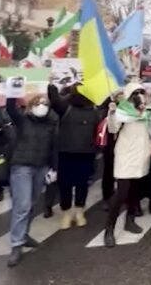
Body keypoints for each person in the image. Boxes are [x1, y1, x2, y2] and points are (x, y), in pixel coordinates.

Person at [5, 93, 58, 268]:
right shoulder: (23, 120)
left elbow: (54, 147)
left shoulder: (51, 123)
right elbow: (10, 108)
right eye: (38, 103)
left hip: (41, 167)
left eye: (45, 103)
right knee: (22, 205)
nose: (42, 106)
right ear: (31, 105)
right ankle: (16, 244)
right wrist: (13, 91)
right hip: (22, 166)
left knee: (32, 203)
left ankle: (24, 234)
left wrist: (54, 168)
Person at [104, 83, 151, 247]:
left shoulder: (147, 112)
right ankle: (109, 229)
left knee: (135, 190)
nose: (139, 95)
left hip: (141, 154)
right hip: (126, 154)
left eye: (141, 92)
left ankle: (130, 220)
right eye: (135, 93)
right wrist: (112, 113)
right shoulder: (122, 111)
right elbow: (113, 129)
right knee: (122, 192)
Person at [47, 84, 103, 230]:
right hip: (66, 152)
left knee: (82, 184)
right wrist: (51, 85)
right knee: (65, 184)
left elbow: (98, 130)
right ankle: (66, 212)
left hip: (86, 153)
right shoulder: (66, 107)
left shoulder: (94, 110)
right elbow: (54, 100)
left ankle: (79, 211)